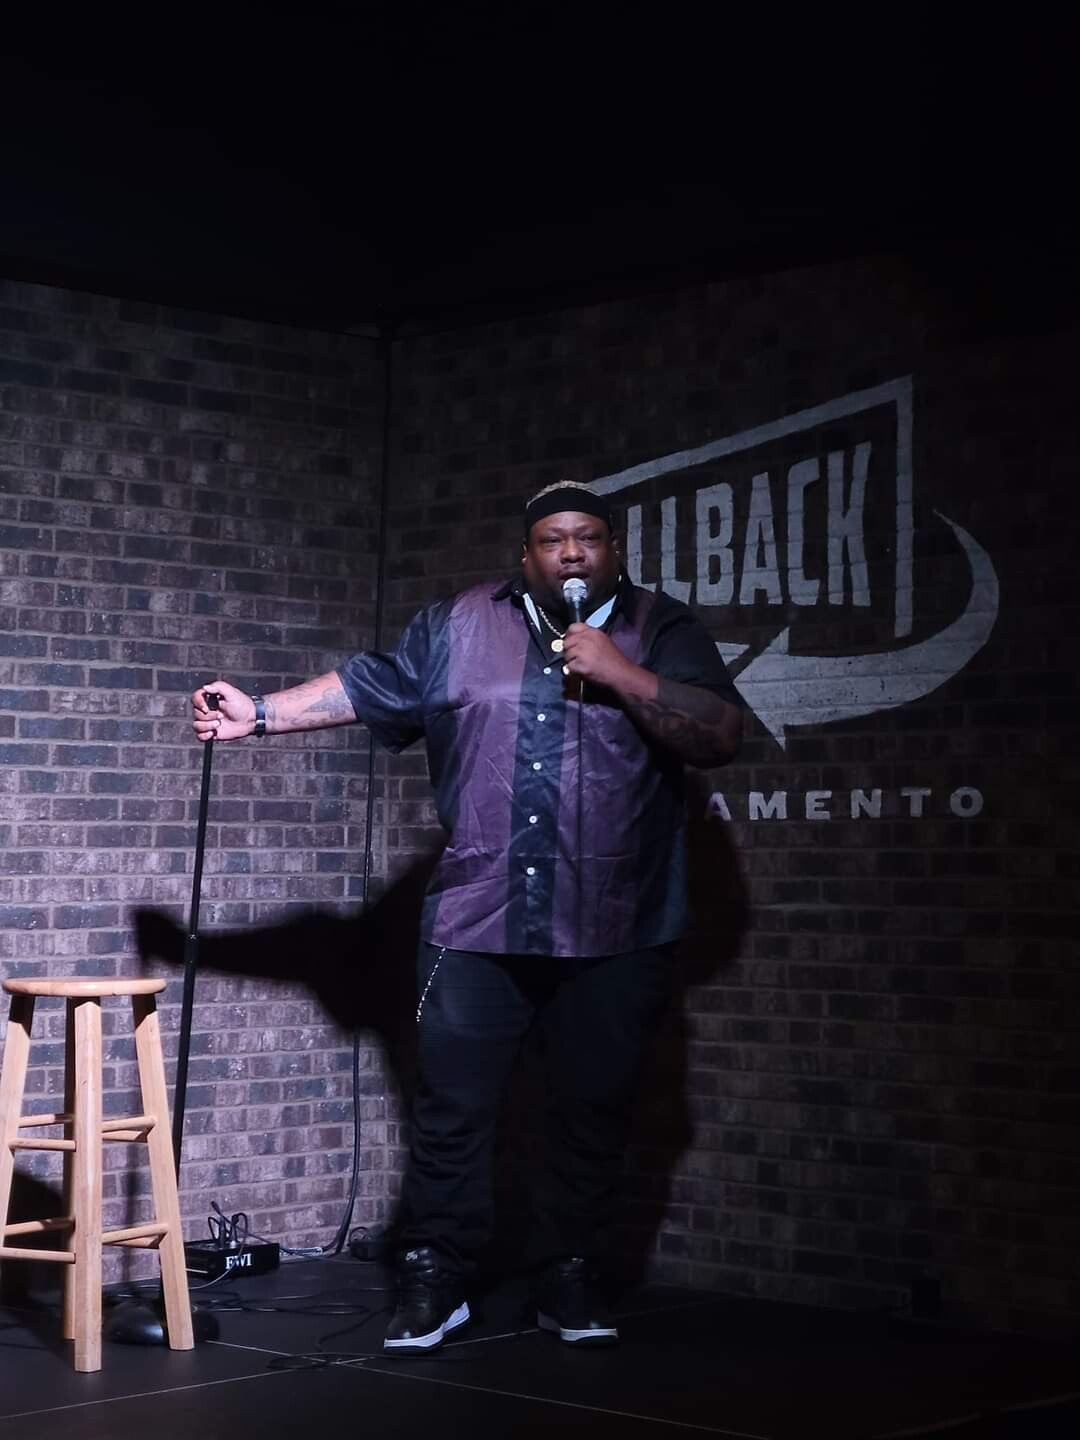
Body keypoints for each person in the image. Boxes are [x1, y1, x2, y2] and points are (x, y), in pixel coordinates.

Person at [191, 480, 742, 1353]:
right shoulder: (459, 624)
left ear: (614, 550)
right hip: (479, 917)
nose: (571, 552)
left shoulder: (660, 628)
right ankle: (435, 1274)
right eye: (553, 539)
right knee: (451, 1111)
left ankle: (571, 1273)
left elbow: (720, 733)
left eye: (589, 537)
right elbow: (376, 686)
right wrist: (260, 715)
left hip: (617, 919)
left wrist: (619, 672)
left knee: (592, 1109)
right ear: (526, 554)